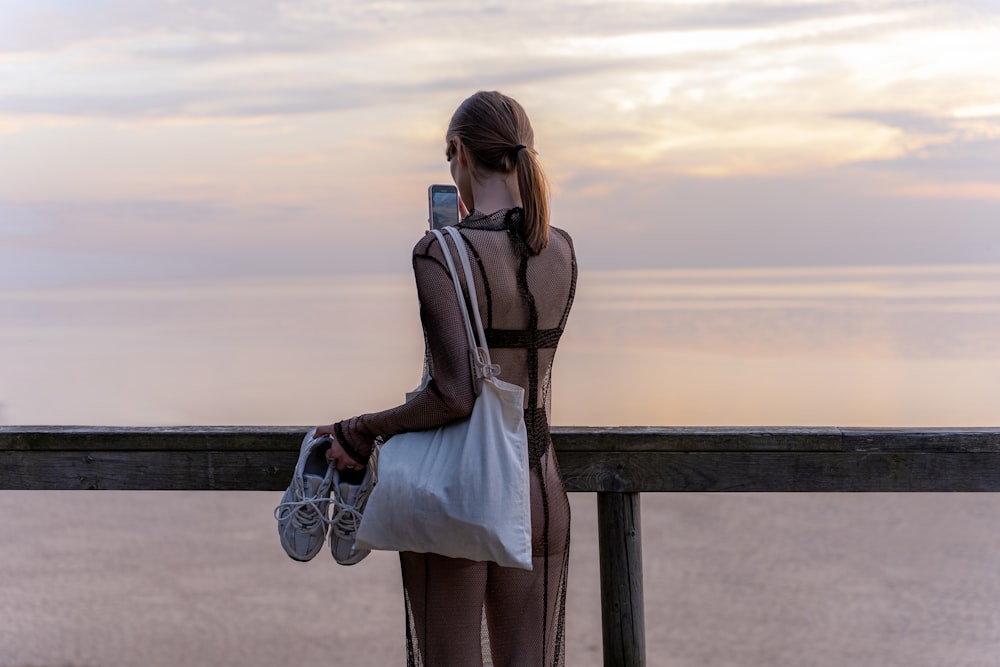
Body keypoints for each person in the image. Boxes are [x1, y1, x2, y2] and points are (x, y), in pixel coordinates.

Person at [314, 90, 577, 667]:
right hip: (539, 488)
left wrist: (359, 430)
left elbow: (453, 395)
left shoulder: (440, 251)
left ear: (458, 152)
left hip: (462, 491)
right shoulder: (561, 251)